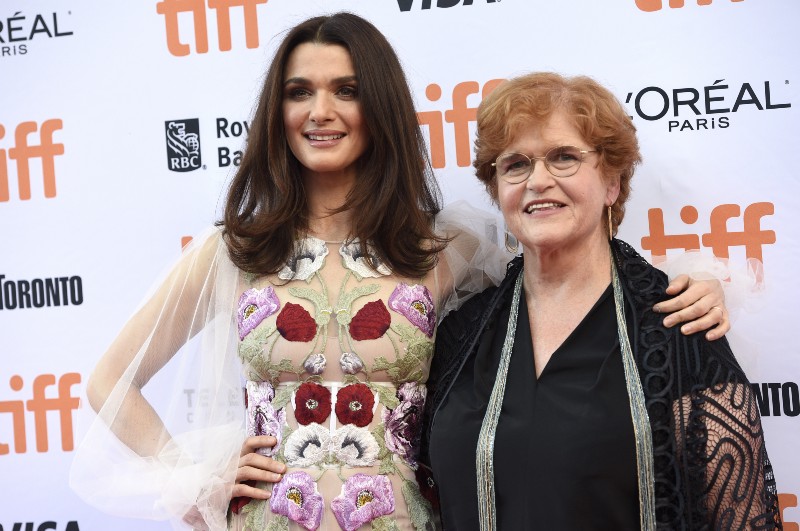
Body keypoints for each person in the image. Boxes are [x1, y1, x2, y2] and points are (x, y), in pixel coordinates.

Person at [70, 14, 730, 531]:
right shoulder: (234, 250)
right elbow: (109, 382)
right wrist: (195, 477)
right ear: (278, 110)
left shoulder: (446, 245)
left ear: (378, 104)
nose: (319, 111)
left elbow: (558, 278)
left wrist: (695, 284)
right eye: (299, 91)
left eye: (345, 91)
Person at [422, 72, 781, 530]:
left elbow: (744, 520)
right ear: (498, 190)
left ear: (611, 183)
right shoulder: (463, 335)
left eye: (564, 158)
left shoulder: (677, 326)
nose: (538, 180)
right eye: (515, 165)